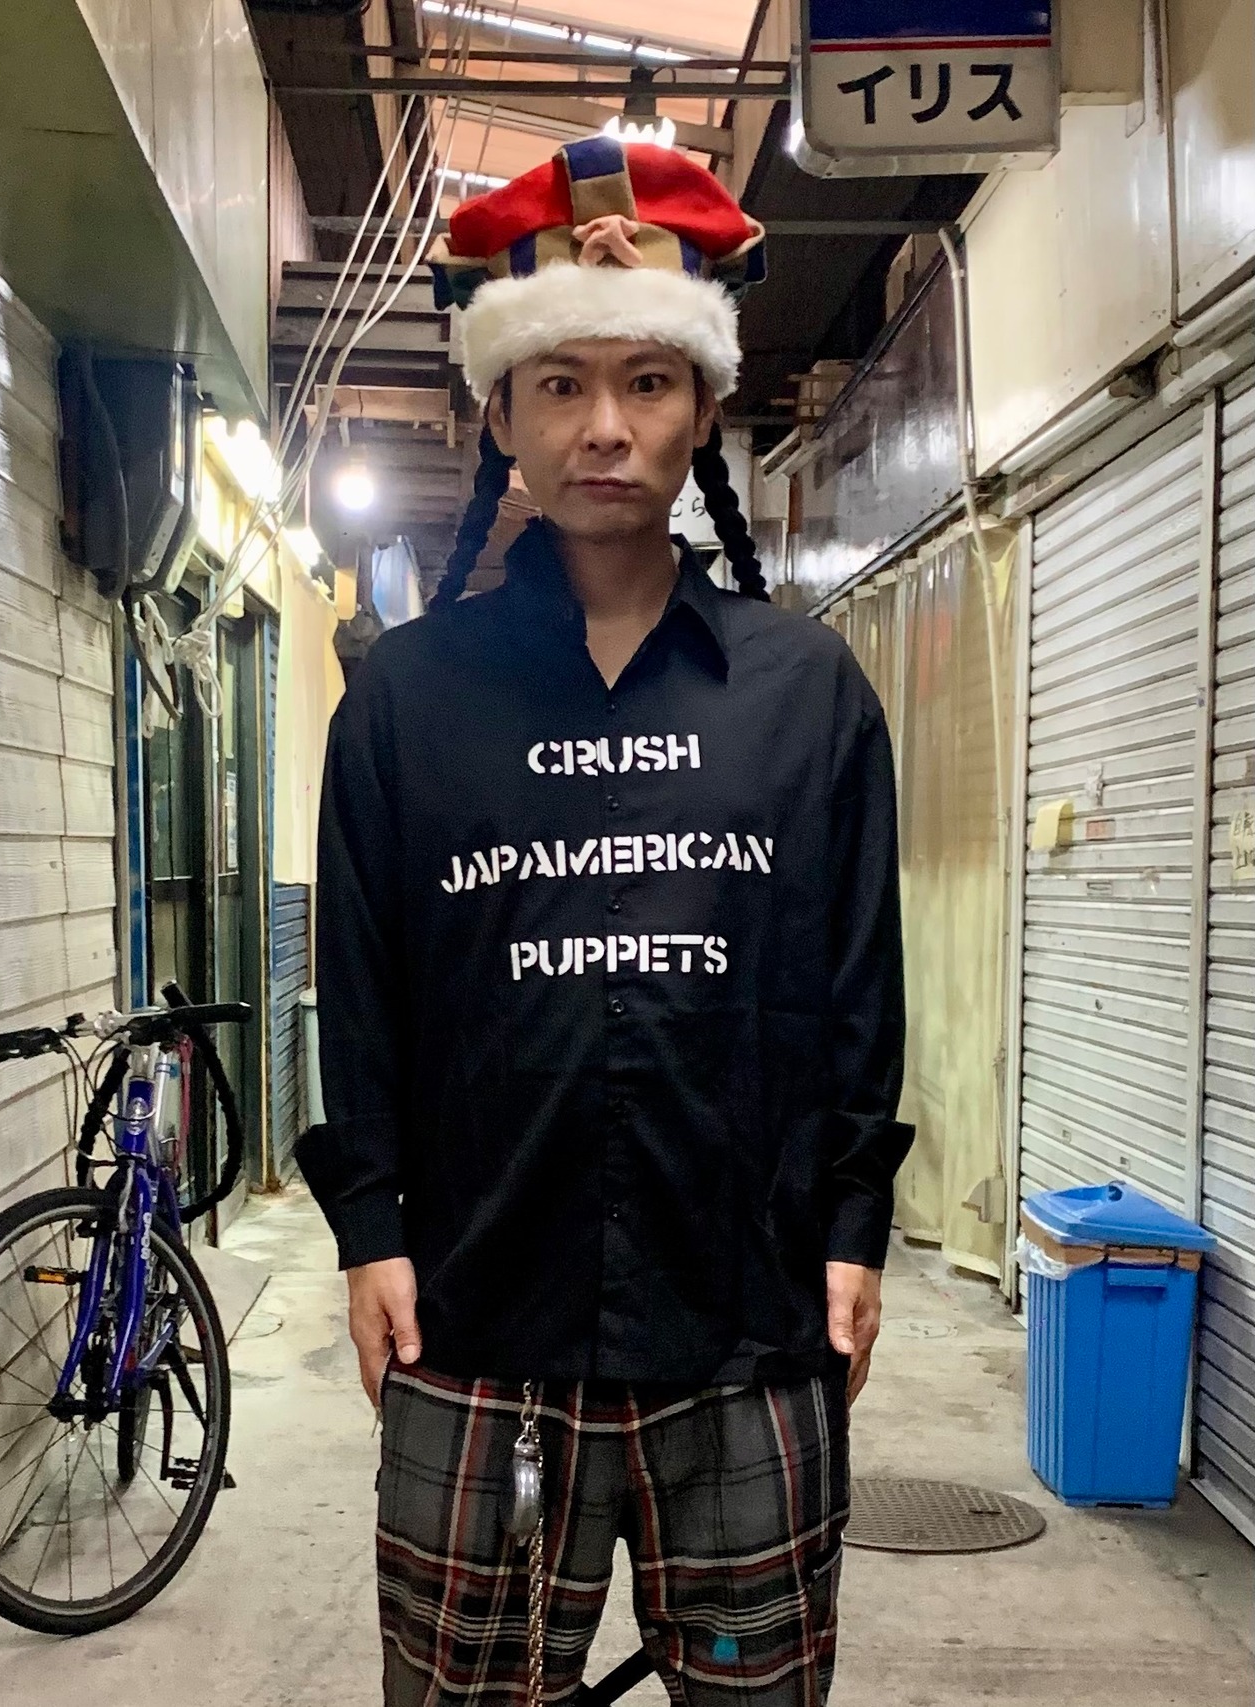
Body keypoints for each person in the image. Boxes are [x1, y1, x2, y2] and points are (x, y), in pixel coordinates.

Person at [296, 136, 913, 1707]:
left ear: (703, 406)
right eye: (560, 384)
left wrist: (855, 1229)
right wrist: (369, 1231)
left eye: (647, 381)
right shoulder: (407, 704)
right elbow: (361, 989)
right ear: (498, 414)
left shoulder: (806, 694)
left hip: (746, 1321)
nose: (606, 427)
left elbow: (857, 985)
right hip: (474, 1325)